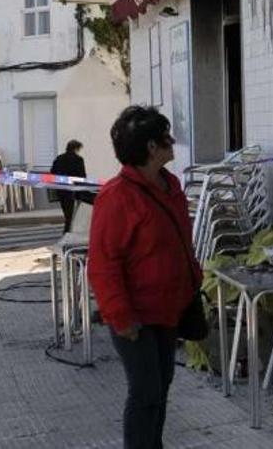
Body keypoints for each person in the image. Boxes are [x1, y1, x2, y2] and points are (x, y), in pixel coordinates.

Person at [87, 106, 200, 449]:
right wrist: (121, 318)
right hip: (134, 316)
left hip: (168, 309)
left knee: (161, 386)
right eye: (166, 137)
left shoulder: (170, 185)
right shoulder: (117, 196)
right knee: (145, 391)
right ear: (152, 147)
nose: (172, 142)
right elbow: (103, 264)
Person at [51, 139, 87, 233]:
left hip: (61, 189)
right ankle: (67, 232)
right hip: (74, 190)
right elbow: (82, 176)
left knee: (67, 213)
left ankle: (68, 231)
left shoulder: (59, 158)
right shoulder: (78, 159)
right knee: (72, 214)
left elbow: (52, 173)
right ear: (76, 148)